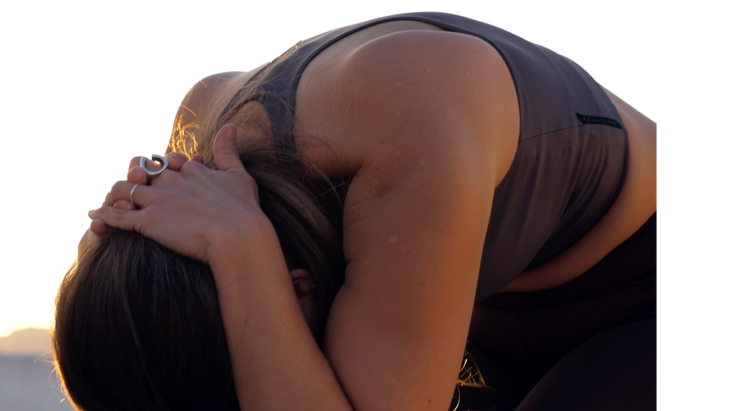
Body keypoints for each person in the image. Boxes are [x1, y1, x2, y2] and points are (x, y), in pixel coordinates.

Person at [55, 12, 657, 411]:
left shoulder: (404, 129)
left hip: (638, 302)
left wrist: (243, 254)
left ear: (293, 287)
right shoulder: (203, 128)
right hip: (489, 314)